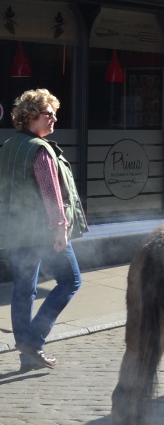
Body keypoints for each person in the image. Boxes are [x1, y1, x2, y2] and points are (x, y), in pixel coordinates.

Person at [0, 89, 87, 373]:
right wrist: (60, 229)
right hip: (44, 232)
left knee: (23, 290)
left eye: (54, 114)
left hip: (18, 231)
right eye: (49, 114)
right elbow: (51, 194)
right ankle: (33, 341)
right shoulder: (40, 150)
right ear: (30, 116)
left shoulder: (10, 145)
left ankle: (27, 355)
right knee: (71, 280)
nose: (54, 119)